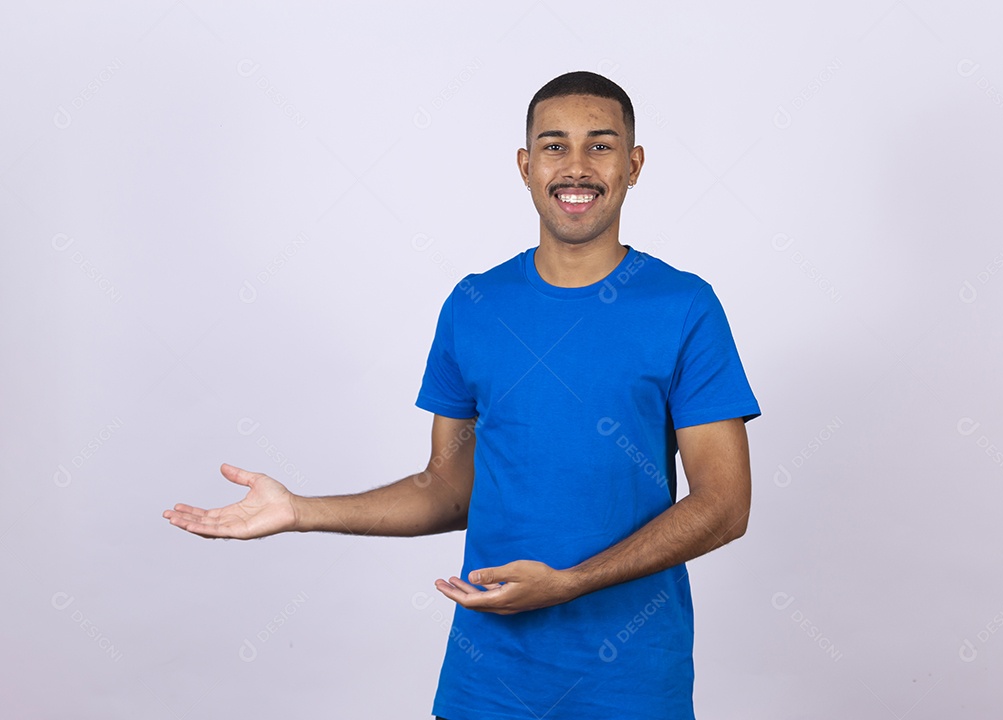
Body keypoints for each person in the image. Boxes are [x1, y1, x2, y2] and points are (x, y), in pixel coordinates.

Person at [164, 70, 760, 720]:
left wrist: (572, 583)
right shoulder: (475, 306)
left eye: (601, 144)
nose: (577, 166)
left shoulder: (684, 307)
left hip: (633, 691)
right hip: (486, 691)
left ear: (634, 164)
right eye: (555, 146)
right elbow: (449, 490)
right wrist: (302, 509)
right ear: (526, 165)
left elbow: (725, 504)